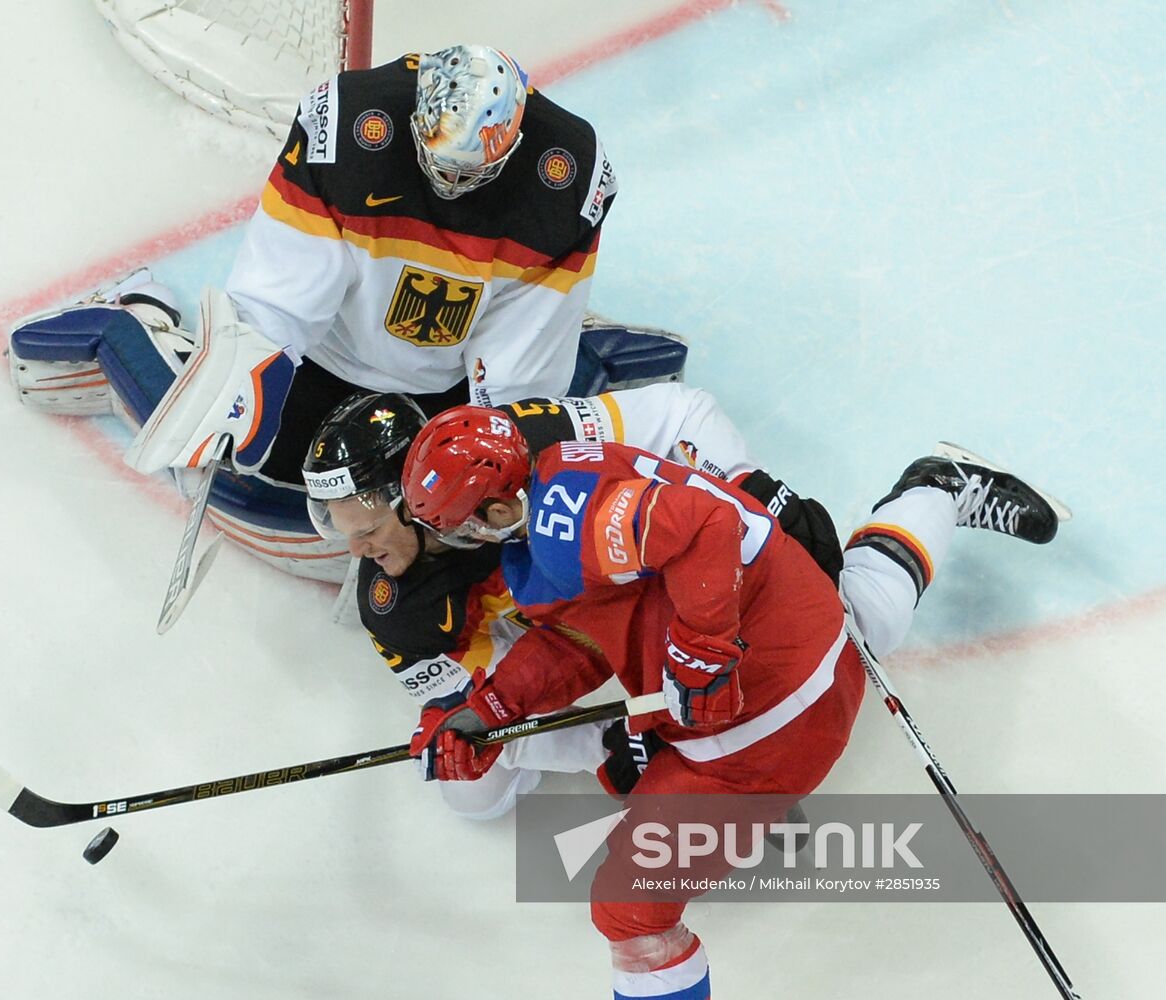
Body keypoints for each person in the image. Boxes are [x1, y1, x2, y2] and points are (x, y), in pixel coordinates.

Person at [398, 406, 1068, 1000]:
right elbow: (585, 634)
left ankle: (933, 491)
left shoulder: (563, 523)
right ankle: (936, 490)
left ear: (494, 509)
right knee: (871, 614)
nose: (461, 544)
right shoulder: (556, 489)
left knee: (631, 908)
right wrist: (490, 709)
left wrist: (699, 645)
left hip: (767, 724)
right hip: (791, 658)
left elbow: (701, 525)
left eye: (461, 528)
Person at [299, 382, 826, 819]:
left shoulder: (516, 446)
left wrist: (744, 482)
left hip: (631, 565)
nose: (357, 552)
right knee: (471, 795)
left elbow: (681, 412)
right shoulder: (397, 609)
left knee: (787, 595)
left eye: (367, 529)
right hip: (553, 629)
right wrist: (611, 742)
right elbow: (493, 711)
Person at [122, 43, 619, 490]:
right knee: (262, 466)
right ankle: (138, 323)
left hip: (444, 387)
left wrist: (501, 438)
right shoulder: (346, 123)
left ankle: (586, 345)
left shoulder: (571, 177)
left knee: (445, 503)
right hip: (326, 361)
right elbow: (281, 291)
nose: (449, 182)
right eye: (438, 162)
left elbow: (527, 342)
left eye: (468, 171)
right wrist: (250, 373)